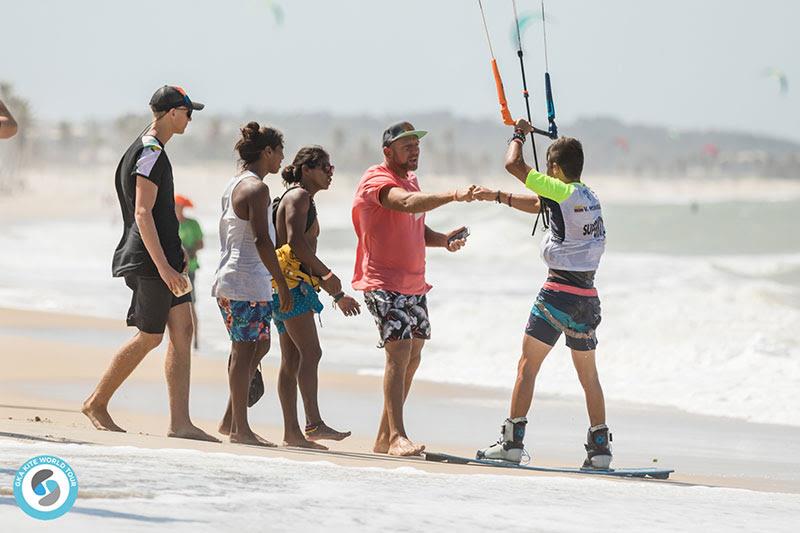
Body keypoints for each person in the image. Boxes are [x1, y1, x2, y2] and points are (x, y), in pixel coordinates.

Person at [83, 85, 218, 442]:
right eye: (189, 112)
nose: (190, 119)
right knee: (150, 336)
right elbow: (143, 213)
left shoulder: (147, 147)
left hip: (166, 256)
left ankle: (180, 423)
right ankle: (96, 403)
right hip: (149, 259)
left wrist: (178, 256)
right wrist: (164, 267)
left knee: (183, 330)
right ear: (173, 112)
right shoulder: (150, 151)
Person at [477, 119, 611, 469]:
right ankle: (600, 450)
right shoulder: (588, 197)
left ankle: (511, 443)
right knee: (589, 377)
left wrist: (518, 134)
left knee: (528, 366)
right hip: (587, 298)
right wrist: (500, 197)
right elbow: (542, 206)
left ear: (553, 169)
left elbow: (513, 165)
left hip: (556, 295)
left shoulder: (558, 190)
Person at [352, 121, 475, 456]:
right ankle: (396, 437)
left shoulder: (411, 181)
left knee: (413, 354)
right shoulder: (376, 179)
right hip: (383, 281)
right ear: (387, 150)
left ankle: (383, 437)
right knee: (399, 351)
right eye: (406, 145)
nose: (415, 149)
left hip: (414, 283)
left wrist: (443, 240)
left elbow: (416, 226)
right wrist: (452, 195)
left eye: (417, 144)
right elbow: (404, 204)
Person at [272, 145, 360, 449]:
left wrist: (329, 289)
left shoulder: (294, 196)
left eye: (331, 168)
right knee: (310, 354)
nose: (330, 173)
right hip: (292, 286)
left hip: (286, 284)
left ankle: (292, 433)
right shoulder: (299, 196)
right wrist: (328, 278)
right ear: (306, 169)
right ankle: (313, 424)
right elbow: (296, 243)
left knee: (292, 358)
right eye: (325, 167)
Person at [212, 121, 293, 446]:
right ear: (267, 151)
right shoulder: (257, 189)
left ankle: (230, 420)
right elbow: (261, 239)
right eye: (280, 152)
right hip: (244, 280)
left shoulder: (235, 183)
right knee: (244, 351)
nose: (282, 159)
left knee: (259, 346)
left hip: (239, 280)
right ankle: (240, 430)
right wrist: (281, 282)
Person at [175, 194, 203, 349]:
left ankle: (196, 340)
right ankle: (174, 341)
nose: (176, 209)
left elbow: (201, 243)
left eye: (178, 206)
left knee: (190, 304)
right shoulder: (170, 224)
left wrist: (190, 250)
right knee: (171, 308)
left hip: (189, 270)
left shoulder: (193, 224)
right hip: (173, 271)